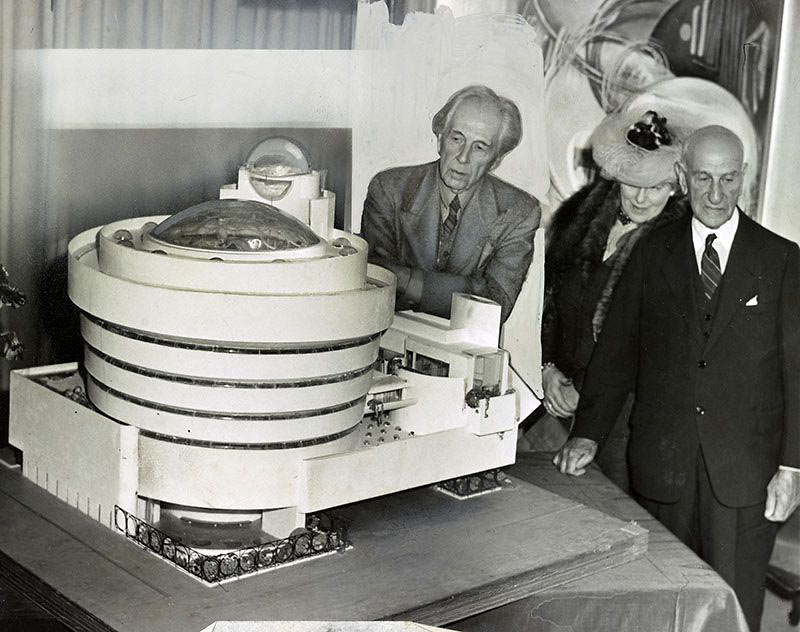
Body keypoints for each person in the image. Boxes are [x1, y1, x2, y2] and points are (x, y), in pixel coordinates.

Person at [554, 125, 800, 632]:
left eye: (728, 179)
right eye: (704, 178)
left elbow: (798, 375)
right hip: (662, 464)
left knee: (732, 610)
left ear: (744, 179)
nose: (716, 194)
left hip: (744, 475)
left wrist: (793, 467)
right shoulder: (651, 252)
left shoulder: (781, 260)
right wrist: (587, 432)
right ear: (683, 177)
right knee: (660, 606)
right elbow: (617, 350)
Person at [521, 109, 689, 492]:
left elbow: (650, 347)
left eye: (657, 186)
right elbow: (544, 302)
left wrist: (584, 391)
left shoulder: (676, 249)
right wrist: (545, 369)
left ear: (675, 186)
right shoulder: (580, 216)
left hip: (620, 420)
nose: (643, 198)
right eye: (632, 183)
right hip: (550, 399)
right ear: (614, 176)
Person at [361, 85, 540, 322]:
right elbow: (374, 282)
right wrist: (466, 289)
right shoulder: (390, 189)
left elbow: (495, 305)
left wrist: (406, 280)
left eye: (480, 147)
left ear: (495, 161)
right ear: (440, 140)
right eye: (457, 139)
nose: (463, 157)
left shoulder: (519, 211)